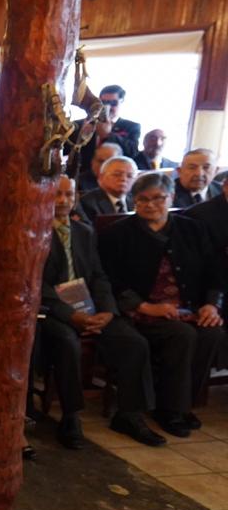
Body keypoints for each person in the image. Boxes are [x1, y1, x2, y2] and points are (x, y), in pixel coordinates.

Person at [99, 173, 224, 439]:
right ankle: (170, 410)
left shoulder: (193, 229)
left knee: (212, 332)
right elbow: (112, 280)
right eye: (142, 199)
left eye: (158, 198)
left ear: (171, 198)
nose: (150, 205)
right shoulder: (118, 234)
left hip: (186, 307)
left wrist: (211, 305)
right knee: (183, 334)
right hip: (142, 312)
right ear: (134, 201)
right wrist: (146, 307)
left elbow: (215, 273)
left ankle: (182, 402)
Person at [38, 176, 159, 448]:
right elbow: (36, 285)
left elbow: (98, 276)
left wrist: (107, 310)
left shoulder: (84, 232)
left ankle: (130, 414)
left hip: (90, 306)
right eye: (57, 194)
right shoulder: (32, 231)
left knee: (133, 342)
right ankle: (71, 415)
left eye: (69, 195)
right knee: (68, 343)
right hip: (52, 311)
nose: (63, 201)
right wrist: (71, 315)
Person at [78, 152, 136, 221]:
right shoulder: (87, 203)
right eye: (117, 174)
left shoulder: (137, 201)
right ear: (101, 177)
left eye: (129, 176)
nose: (123, 179)